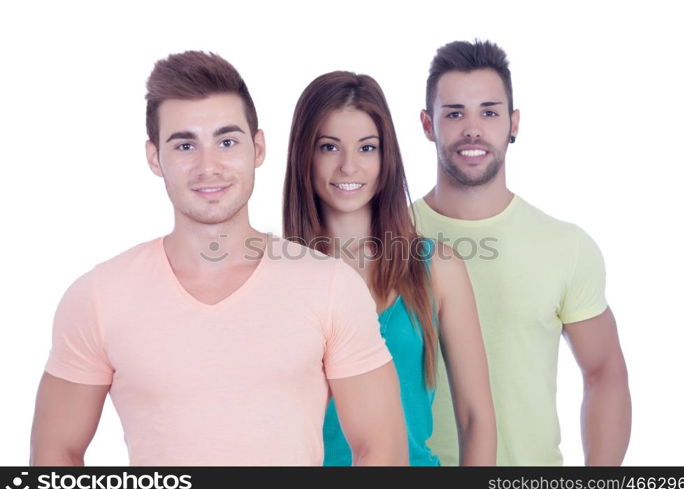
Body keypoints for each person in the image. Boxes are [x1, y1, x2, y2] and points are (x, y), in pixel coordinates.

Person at [30, 51, 409, 466]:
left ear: (257, 148)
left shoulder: (330, 287)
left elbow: (381, 449)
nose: (207, 167)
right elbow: (56, 455)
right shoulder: (98, 297)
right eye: (185, 145)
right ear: (155, 158)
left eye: (226, 142)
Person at [414, 40, 632, 466]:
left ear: (514, 123)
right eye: (454, 113)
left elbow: (605, 372)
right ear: (427, 124)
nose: (472, 129)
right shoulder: (391, 239)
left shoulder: (565, 246)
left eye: (489, 112)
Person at [283, 71, 496, 466]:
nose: (349, 166)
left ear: (386, 157)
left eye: (367, 148)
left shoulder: (440, 268)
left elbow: (475, 418)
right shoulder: (275, 277)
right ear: (304, 155)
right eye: (329, 147)